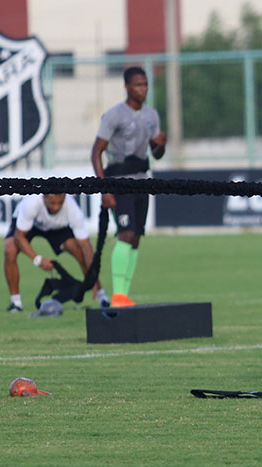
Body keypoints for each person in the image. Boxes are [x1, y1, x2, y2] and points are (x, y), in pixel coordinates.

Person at [91, 66, 166, 307]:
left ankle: (124, 294)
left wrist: (161, 145)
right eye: (138, 85)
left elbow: (157, 154)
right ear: (126, 87)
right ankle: (118, 296)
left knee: (136, 238)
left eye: (145, 84)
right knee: (126, 234)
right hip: (119, 180)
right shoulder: (114, 115)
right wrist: (105, 189)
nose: (143, 89)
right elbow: (96, 153)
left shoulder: (152, 115)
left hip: (142, 180)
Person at [3, 192, 109, 312]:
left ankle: (101, 295)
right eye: (52, 203)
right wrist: (38, 260)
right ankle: (16, 302)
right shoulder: (31, 204)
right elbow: (19, 237)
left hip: (56, 228)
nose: (56, 207)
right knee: (9, 249)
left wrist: (92, 277)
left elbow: (85, 245)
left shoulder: (72, 209)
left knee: (78, 250)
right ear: (44, 198)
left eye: (60, 203)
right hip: (31, 225)